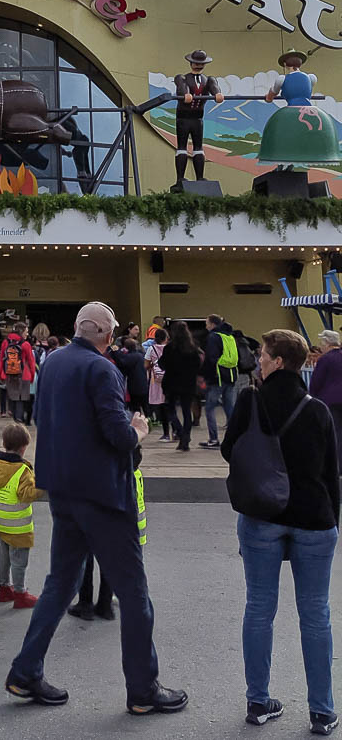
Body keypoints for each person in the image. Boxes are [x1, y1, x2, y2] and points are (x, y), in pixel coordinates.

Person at [5, 301, 187, 716]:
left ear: (76, 328)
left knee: (60, 584)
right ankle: (143, 689)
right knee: (134, 593)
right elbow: (119, 436)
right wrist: (139, 429)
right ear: (107, 334)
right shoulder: (102, 369)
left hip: (63, 489)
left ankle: (25, 671)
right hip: (103, 494)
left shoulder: (54, 363)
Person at [221, 329, 340, 734]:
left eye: (263, 355)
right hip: (313, 520)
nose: (257, 361)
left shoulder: (251, 402)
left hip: (261, 516)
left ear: (278, 362)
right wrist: (332, 521)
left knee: (259, 608)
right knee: (315, 614)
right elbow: (330, 474)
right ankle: (322, 711)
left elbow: (227, 449)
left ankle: (259, 701)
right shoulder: (318, 410)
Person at [0, 422, 41, 609]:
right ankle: (20, 593)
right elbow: (27, 495)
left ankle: (3, 588)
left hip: (0, 522)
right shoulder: (22, 471)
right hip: (18, 526)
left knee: (4, 556)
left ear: (4, 443)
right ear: (24, 447)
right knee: (19, 561)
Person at [172, 49, 224, 189]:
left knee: (198, 147)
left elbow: (214, 87)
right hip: (183, 117)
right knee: (182, 147)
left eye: (201, 63)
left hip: (197, 118)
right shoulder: (182, 78)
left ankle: (200, 177)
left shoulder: (208, 80)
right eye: (196, 62)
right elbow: (182, 88)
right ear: (191, 62)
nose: (198, 65)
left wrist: (217, 93)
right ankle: (180, 178)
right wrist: (185, 94)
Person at [157, 320, 202, 452]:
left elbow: (162, 364)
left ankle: (181, 433)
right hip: (188, 383)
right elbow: (198, 365)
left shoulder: (170, 348)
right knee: (186, 411)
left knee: (170, 410)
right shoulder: (193, 348)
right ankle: (185, 437)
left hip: (171, 383)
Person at [201, 313, 240, 449]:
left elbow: (211, 358)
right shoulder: (230, 336)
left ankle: (213, 439)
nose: (206, 326)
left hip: (217, 377)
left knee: (210, 408)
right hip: (231, 375)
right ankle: (234, 437)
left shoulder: (213, 337)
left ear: (212, 324)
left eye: (207, 323)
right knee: (229, 407)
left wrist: (204, 374)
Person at [310, 329, 342, 469]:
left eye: (322, 343)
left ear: (327, 343)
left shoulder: (325, 359)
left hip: (330, 401)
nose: (321, 346)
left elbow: (316, 381)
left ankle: (336, 465)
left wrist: (312, 398)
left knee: (334, 433)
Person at [0, 323, 36, 422]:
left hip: (10, 373)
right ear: (21, 332)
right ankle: (19, 419)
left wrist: (1, 373)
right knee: (21, 398)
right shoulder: (26, 344)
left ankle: (16, 418)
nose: (27, 334)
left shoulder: (5, 342)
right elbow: (31, 361)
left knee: (13, 397)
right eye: (26, 332)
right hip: (24, 374)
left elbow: (2, 359)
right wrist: (32, 375)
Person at [115, 337, 149, 416]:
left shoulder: (130, 357)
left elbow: (121, 362)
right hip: (144, 384)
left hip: (134, 386)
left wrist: (116, 352)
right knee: (145, 406)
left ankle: (139, 421)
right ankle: (149, 420)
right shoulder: (141, 355)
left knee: (136, 407)